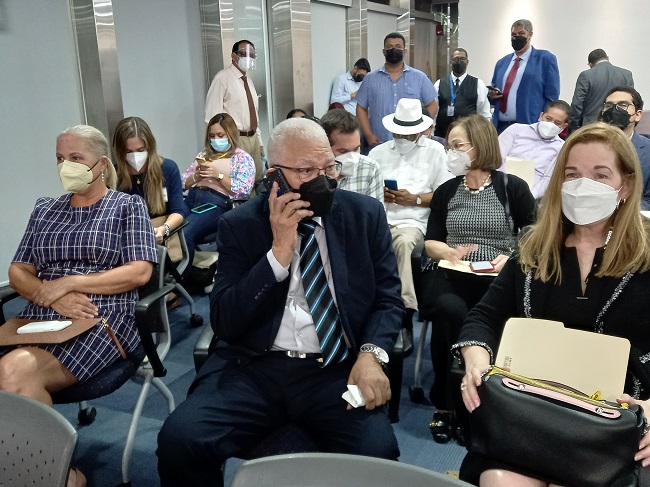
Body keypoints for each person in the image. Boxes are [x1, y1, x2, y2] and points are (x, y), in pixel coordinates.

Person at [157, 118, 402, 487]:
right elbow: (225, 321)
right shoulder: (240, 224)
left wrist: (370, 354)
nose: (323, 179)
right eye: (306, 170)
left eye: (329, 167)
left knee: (379, 456)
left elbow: (388, 299)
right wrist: (278, 254)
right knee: (180, 441)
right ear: (274, 175)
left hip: (333, 368)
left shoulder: (363, 215)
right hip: (254, 367)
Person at [454, 122, 650, 486]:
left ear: (625, 185)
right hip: (533, 411)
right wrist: (476, 358)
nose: (582, 185)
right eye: (572, 174)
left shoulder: (647, 252)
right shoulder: (535, 247)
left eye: (600, 175)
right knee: (498, 478)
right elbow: (484, 316)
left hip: (614, 421)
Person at [7, 124, 158, 487]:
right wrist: (49, 293)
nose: (65, 167)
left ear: (102, 165)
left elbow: (139, 271)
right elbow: (18, 270)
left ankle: (60, 477)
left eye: (76, 158)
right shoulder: (45, 209)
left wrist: (71, 283)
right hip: (43, 314)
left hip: (101, 317)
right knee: (13, 376)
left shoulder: (126, 206)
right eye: (60, 159)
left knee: (14, 373)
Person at [423, 114, 535, 444]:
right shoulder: (446, 191)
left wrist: (512, 254)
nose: (450, 152)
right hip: (454, 273)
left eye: (457, 146)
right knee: (447, 310)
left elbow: (534, 233)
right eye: (449, 146)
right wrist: (448, 252)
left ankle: (492, 401)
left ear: (479, 146)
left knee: (500, 316)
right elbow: (430, 241)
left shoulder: (511, 187)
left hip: (497, 278)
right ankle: (446, 404)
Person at [369, 98, 453, 341]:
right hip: (381, 217)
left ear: (420, 131)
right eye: (399, 133)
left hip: (413, 220)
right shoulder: (378, 152)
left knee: (403, 244)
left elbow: (443, 194)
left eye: (408, 134)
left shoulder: (436, 152)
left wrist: (414, 199)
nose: (403, 138)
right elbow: (366, 191)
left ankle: (403, 313)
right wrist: (380, 194)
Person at [181, 113, 256, 266]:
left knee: (184, 233)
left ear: (231, 134)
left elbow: (244, 190)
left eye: (220, 135)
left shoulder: (242, 158)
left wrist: (218, 175)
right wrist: (196, 177)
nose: (216, 140)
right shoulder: (203, 154)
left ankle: (182, 279)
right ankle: (168, 274)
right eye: (212, 136)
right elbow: (183, 183)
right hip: (192, 197)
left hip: (216, 202)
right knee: (169, 229)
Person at [356, 32, 438, 152]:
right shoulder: (370, 79)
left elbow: (432, 104)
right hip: (379, 143)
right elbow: (361, 108)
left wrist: (420, 129)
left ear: (404, 51)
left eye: (398, 47)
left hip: (411, 143)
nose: (394, 50)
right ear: (384, 51)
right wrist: (368, 134)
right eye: (389, 47)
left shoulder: (419, 77)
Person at [113, 116, 188, 244]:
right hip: (129, 239)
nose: (135, 156)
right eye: (128, 151)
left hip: (162, 235)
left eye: (140, 150)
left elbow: (179, 211)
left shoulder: (168, 168)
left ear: (150, 147)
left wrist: (164, 229)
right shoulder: (113, 174)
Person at [204, 40, 265, 182]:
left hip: (253, 138)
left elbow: (253, 114)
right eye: (243, 54)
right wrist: (220, 143)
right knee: (237, 181)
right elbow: (212, 116)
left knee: (256, 181)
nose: (248, 58)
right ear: (233, 56)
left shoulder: (248, 81)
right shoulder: (222, 78)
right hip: (234, 139)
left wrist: (260, 141)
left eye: (252, 55)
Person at [489, 19, 560, 134]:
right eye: (513, 35)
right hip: (501, 127)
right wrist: (492, 95)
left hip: (529, 126)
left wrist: (544, 123)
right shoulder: (502, 63)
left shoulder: (545, 59)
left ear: (530, 35)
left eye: (521, 34)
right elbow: (493, 90)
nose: (517, 37)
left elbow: (552, 96)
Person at [498, 100, 570, 198]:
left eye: (557, 123)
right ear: (541, 116)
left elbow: (548, 179)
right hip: (501, 185)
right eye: (548, 119)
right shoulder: (516, 130)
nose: (551, 124)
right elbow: (497, 159)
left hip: (531, 197)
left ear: (564, 126)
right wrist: (501, 186)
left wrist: (528, 198)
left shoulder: (562, 148)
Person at [598, 86, 650, 209]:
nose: (614, 110)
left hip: (634, 217)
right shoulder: (588, 146)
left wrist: (621, 208)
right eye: (609, 106)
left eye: (623, 105)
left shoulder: (648, 151)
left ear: (637, 115)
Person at [319, 108, 383, 202]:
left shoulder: (370, 168)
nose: (352, 157)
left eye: (356, 149)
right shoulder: (312, 172)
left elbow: (376, 214)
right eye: (343, 151)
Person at [569, 49, 634, 131]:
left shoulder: (586, 75)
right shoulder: (627, 74)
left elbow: (577, 104)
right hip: (619, 125)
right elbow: (631, 100)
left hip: (591, 125)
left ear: (590, 64)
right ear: (607, 58)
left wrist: (574, 127)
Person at [434, 48, 491, 138]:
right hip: (442, 135)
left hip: (469, 135)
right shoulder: (439, 83)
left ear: (467, 62)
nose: (459, 61)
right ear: (450, 62)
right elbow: (434, 112)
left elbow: (484, 112)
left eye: (462, 59)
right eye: (456, 59)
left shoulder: (478, 84)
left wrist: (484, 135)